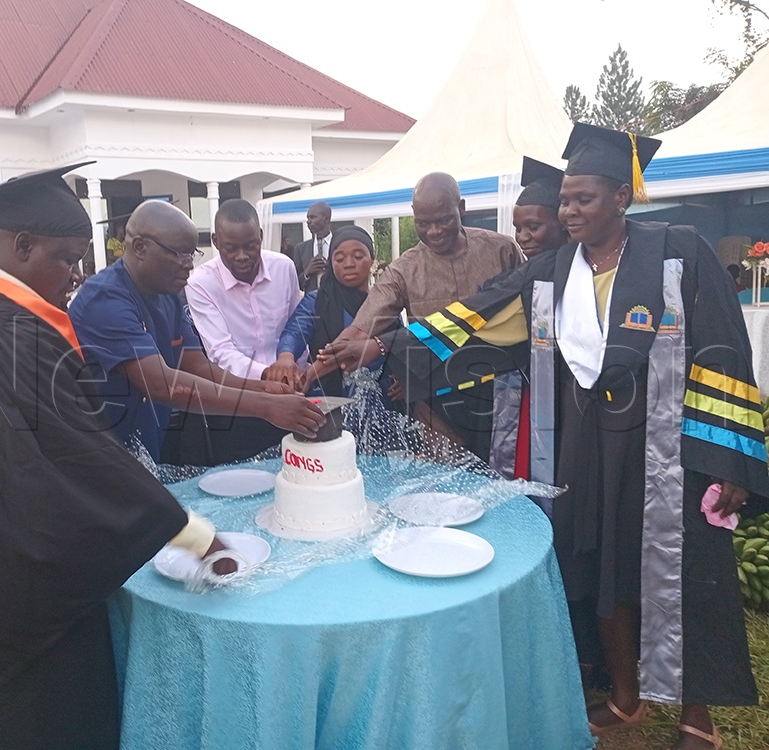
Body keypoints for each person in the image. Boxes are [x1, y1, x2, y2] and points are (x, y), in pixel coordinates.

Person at [326, 124, 767, 750]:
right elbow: (475, 322)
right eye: (566, 200)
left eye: (584, 198)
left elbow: (725, 352)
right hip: (587, 439)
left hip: (665, 442)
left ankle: (698, 714)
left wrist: (729, 461)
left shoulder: (679, 252)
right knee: (593, 558)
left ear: (622, 195)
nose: (569, 211)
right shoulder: (551, 271)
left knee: (679, 564)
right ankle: (625, 694)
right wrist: (379, 345)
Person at [0, 164, 240, 750]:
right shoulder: (15, 336)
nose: (75, 276)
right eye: (66, 258)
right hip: (2, 592)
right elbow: (83, 461)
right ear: (21, 246)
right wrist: (189, 532)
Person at [69, 199, 324, 464]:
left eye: (191, 254)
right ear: (140, 247)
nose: (189, 264)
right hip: (101, 453)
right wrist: (265, 405)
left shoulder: (166, 294)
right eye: (179, 253)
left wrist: (264, 388)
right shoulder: (105, 298)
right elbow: (160, 384)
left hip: (144, 446)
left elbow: (198, 366)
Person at [335, 172, 524, 460]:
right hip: (438, 405)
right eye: (423, 223)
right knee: (446, 488)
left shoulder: (502, 250)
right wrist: (313, 370)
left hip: (502, 396)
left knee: (504, 483)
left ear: (460, 208)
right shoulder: (403, 269)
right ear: (413, 216)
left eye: (444, 220)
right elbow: (362, 330)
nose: (434, 231)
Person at [182, 199, 304, 461]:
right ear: (215, 241)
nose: (242, 255)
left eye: (250, 246)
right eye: (231, 248)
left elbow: (296, 327)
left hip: (293, 396)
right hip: (241, 404)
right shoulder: (200, 284)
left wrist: (295, 371)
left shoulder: (284, 268)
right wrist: (269, 376)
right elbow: (220, 352)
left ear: (260, 236)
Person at [490, 157, 568, 480]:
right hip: (527, 396)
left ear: (563, 222)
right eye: (518, 229)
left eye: (533, 227)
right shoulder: (518, 277)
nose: (522, 237)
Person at [266, 225, 397, 399]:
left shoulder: (385, 302)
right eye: (339, 259)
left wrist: (402, 377)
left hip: (382, 400)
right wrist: (285, 357)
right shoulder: (316, 301)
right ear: (331, 263)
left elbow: (397, 343)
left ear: (372, 260)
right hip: (328, 400)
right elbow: (294, 333)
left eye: (358, 256)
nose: (349, 264)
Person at [292, 201, 333, 292]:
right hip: (311, 303)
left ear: (326, 219)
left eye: (313, 217)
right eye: (308, 218)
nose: (308, 221)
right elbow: (294, 283)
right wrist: (307, 272)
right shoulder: (301, 249)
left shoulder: (339, 244)